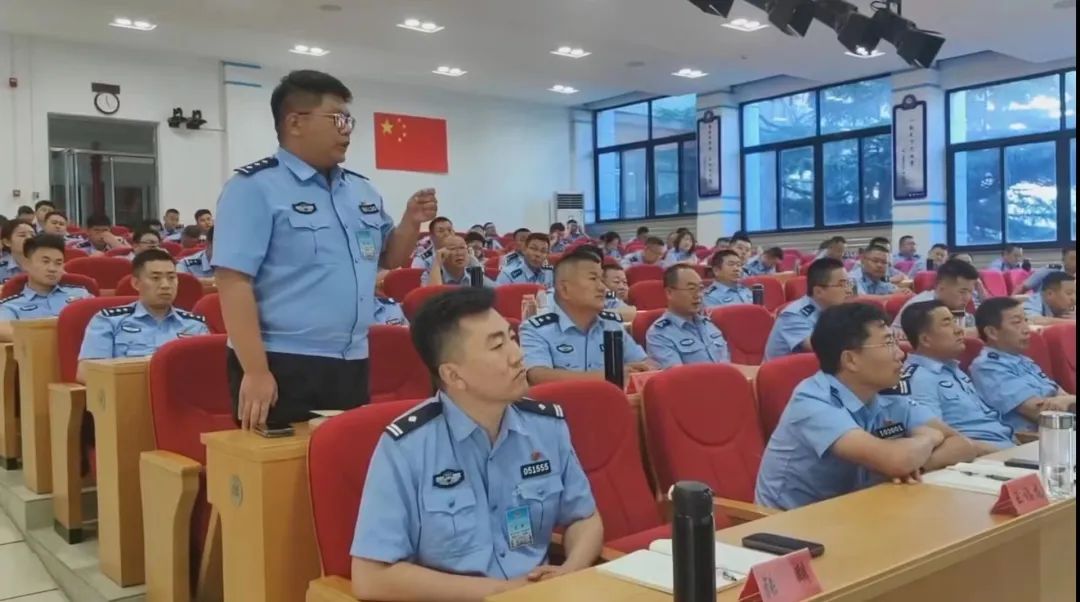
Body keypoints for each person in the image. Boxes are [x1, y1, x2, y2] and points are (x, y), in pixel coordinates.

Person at [212, 69, 438, 429]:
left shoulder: (361, 190)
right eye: (337, 118)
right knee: (281, 465)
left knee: (344, 459)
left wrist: (411, 222)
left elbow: (389, 258)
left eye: (349, 120)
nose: (346, 130)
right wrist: (254, 370)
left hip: (352, 359)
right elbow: (233, 281)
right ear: (295, 122)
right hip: (281, 359)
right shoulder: (254, 187)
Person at [349, 288, 602, 600]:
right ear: (453, 375)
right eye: (497, 346)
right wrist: (501, 591)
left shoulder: (546, 426)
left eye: (511, 337)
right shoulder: (406, 447)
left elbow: (584, 518)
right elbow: (371, 577)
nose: (517, 354)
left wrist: (570, 571)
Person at [755, 303, 975, 510]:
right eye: (888, 344)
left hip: (860, 509)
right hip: (793, 523)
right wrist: (928, 438)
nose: (901, 354)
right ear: (851, 360)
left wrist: (915, 465)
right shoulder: (813, 401)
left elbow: (962, 445)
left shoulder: (887, 393)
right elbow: (895, 461)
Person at [899, 300, 1016, 453]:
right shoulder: (919, 379)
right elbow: (935, 439)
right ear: (925, 339)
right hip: (982, 457)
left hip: (1006, 446)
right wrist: (997, 452)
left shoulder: (953, 369)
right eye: (947, 324)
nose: (959, 330)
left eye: (955, 321)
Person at [520, 250, 652, 383]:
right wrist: (611, 376)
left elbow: (642, 362)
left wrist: (646, 369)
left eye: (601, 280)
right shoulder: (536, 329)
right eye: (593, 279)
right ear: (565, 289)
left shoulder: (611, 325)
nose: (603, 288)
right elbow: (538, 376)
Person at [77, 249, 209, 382]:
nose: (165, 285)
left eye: (171, 277)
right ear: (136, 283)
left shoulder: (195, 324)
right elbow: (87, 373)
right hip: (128, 392)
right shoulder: (109, 320)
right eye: (155, 278)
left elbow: (207, 372)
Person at [969, 297, 1075, 434]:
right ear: (992, 332)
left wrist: (1068, 400)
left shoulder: (1023, 360)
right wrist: (1068, 401)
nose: (1026, 329)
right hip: (1037, 437)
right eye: (1017, 322)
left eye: (1026, 320)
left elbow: (1063, 397)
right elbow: (1043, 413)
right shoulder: (987, 367)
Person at [0, 235, 94, 341]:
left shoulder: (81, 294)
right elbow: (4, 330)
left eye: (58, 263)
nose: (52, 269)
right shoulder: (11, 306)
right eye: (45, 261)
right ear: (26, 264)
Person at [764, 258, 851, 361]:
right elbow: (825, 348)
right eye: (842, 285)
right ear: (818, 292)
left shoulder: (833, 310)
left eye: (848, 283)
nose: (849, 290)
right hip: (788, 370)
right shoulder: (794, 316)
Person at [646, 265, 730, 368]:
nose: (698, 295)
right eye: (691, 289)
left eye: (700, 289)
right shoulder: (659, 335)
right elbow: (678, 376)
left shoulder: (708, 323)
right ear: (669, 293)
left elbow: (727, 363)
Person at [893, 259, 979, 333]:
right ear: (941, 288)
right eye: (962, 292)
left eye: (971, 292)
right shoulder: (921, 307)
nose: (968, 298)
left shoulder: (955, 305)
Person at [423, 235, 495, 287]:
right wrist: (437, 262)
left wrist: (473, 261)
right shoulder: (429, 275)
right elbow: (432, 296)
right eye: (452, 249)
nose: (459, 253)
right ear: (442, 253)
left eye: (462, 248)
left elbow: (495, 292)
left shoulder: (473, 273)